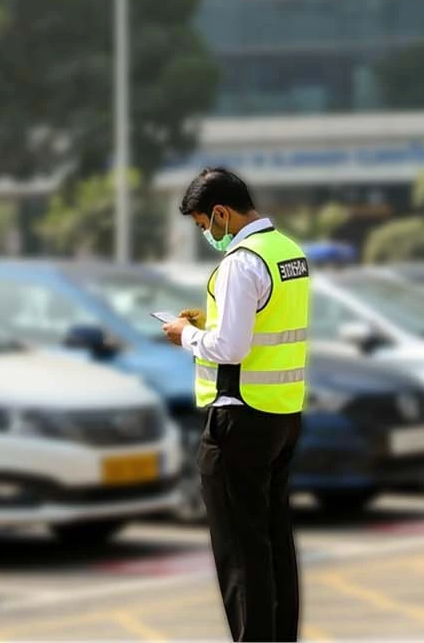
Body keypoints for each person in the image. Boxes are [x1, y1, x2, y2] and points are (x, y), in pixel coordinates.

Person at [161, 166, 310, 643]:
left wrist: (186, 335)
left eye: (206, 225)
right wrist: (213, 322)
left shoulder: (240, 262)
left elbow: (230, 348)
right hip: (282, 414)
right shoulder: (288, 252)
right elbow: (264, 326)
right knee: (273, 545)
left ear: (221, 212)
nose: (208, 234)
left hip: (239, 420)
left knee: (240, 554)